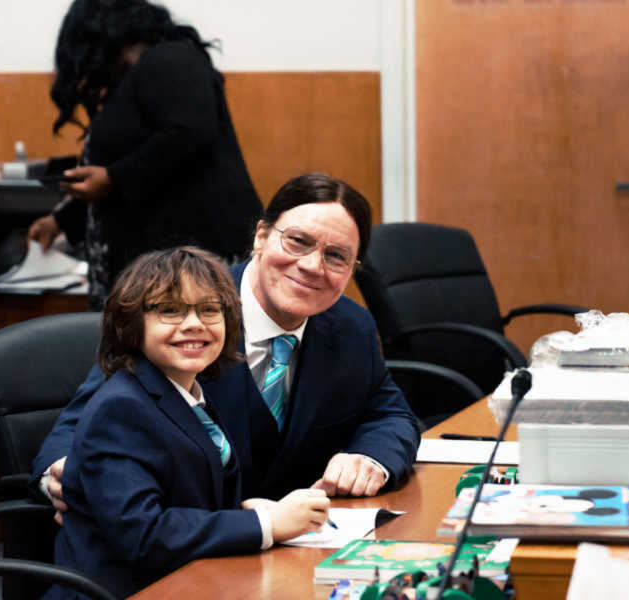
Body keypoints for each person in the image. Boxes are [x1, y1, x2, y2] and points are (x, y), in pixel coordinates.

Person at [34, 172, 421, 517]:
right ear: (261, 236)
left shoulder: (351, 325)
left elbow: (390, 415)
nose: (311, 266)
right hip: (185, 549)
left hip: (301, 544)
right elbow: (79, 426)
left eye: (336, 256)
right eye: (298, 242)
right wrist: (65, 473)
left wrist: (370, 458)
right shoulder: (179, 315)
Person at [44, 246, 330, 599]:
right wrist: (264, 524)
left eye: (209, 309)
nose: (194, 323)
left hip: (191, 577)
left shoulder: (187, 390)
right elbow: (144, 536)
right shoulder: (120, 409)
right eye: (170, 310)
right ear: (133, 323)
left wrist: (241, 510)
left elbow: (181, 495)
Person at [28, 0, 262, 310]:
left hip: (191, 265)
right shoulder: (131, 82)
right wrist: (61, 220)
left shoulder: (171, 57)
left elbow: (189, 131)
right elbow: (140, 170)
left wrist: (112, 178)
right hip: (161, 266)